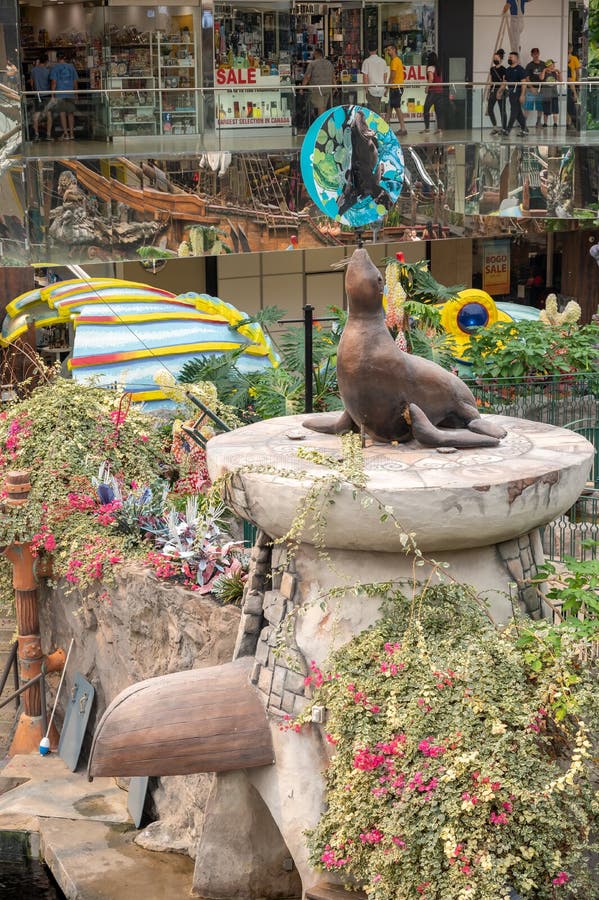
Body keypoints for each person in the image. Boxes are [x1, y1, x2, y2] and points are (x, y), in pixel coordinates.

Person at [49, 50, 78, 140]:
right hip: (70, 93)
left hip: (60, 93)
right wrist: (76, 93)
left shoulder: (55, 68)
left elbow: (54, 82)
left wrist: (52, 95)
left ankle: (66, 134)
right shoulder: (71, 67)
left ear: (57, 58)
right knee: (70, 113)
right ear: (64, 58)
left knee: (62, 113)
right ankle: (72, 133)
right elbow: (75, 81)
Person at [302, 49, 335, 121]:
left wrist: (302, 87)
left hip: (317, 89)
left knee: (321, 108)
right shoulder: (329, 63)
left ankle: (321, 125)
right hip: (328, 89)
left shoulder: (312, 64)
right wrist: (335, 87)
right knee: (324, 107)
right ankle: (324, 123)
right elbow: (333, 76)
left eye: (314, 54)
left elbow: (307, 76)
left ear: (316, 54)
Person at [502, 51, 528, 136]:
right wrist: (499, 91)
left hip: (518, 92)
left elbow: (524, 83)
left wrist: (522, 95)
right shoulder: (507, 70)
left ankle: (508, 129)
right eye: (509, 57)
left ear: (516, 59)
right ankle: (525, 129)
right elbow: (504, 82)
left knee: (514, 111)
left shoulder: (520, 69)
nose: (509, 58)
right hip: (511, 92)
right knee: (518, 112)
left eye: (511, 57)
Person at [384, 44, 407, 134]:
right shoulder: (397, 60)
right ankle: (385, 127)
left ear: (394, 50)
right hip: (397, 87)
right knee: (390, 107)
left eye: (389, 50)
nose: (388, 52)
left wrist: (387, 88)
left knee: (396, 108)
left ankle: (403, 128)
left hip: (396, 88)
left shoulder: (394, 61)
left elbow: (392, 76)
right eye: (387, 50)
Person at [421, 51, 444, 135]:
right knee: (438, 111)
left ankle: (427, 128)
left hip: (433, 92)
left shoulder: (430, 68)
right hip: (440, 91)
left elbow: (430, 79)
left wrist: (427, 88)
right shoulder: (438, 68)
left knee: (426, 109)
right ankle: (440, 129)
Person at [30, 53, 52, 141]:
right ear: (46, 61)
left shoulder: (33, 70)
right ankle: (48, 135)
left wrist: (34, 90)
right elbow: (50, 83)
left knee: (36, 116)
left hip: (37, 95)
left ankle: (36, 134)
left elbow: (32, 83)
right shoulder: (48, 71)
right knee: (49, 115)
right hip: (46, 95)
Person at [361, 45, 388, 116]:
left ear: (368, 50)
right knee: (376, 107)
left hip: (371, 89)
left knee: (374, 111)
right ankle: (376, 124)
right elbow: (385, 75)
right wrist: (385, 87)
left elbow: (365, 77)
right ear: (376, 50)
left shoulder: (366, 61)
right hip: (381, 88)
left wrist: (366, 89)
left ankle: (378, 125)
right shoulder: (383, 61)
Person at [486, 48, 507, 133]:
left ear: (500, 59)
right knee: (490, 109)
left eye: (496, 58)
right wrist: (488, 92)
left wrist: (499, 92)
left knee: (502, 110)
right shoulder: (492, 69)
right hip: (493, 90)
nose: (495, 60)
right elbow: (490, 81)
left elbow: (504, 82)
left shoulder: (503, 69)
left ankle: (504, 128)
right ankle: (495, 127)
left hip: (500, 90)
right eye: (494, 58)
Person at [524, 47, 545, 127]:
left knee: (540, 107)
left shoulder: (543, 64)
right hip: (531, 89)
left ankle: (538, 122)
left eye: (537, 53)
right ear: (531, 55)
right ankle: (524, 123)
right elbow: (527, 78)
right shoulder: (529, 65)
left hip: (541, 89)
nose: (536, 55)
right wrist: (531, 87)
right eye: (534, 54)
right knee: (528, 106)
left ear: (539, 54)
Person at [540, 59, 561, 127]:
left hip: (554, 92)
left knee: (555, 109)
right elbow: (541, 78)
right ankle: (545, 123)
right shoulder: (544, 72)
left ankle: (555, 123)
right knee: (546, 109)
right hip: (546, 92)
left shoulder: (554, 73)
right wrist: (544, 70)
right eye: (552, 65)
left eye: (554, 65)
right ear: (548, 65)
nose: (554, 66)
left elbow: (561, 80)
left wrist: (559, 73)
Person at [567, 43, 580, 130]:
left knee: (572, 103)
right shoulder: (572, 58)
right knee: (570, 103)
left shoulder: (574, 58)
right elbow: (577, 72)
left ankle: (571, 122)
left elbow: (577, 71)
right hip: (570, 83)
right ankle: (570, 123)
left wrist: (577, 82)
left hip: (572, 83)